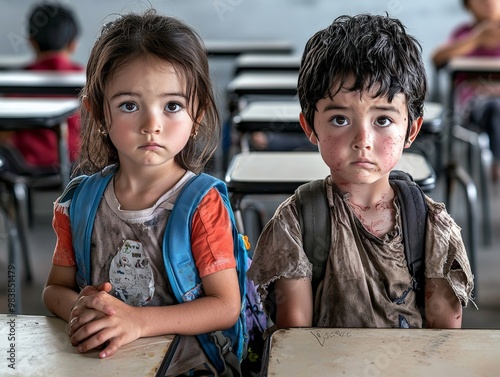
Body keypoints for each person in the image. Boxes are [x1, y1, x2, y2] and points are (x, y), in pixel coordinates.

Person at [41, 10, 241, 376]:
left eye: (172, 106)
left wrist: (137, 322)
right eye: (129, 106)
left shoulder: (200, 204)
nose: (152, 125)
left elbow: (225, 306)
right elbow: (54, 289)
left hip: (186, 366)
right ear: (99, 115)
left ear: (197, 115)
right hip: (102, 363)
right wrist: (79, 307)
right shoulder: (79, 203)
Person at [247, 14, 475, 330]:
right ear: (310, 127)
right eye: (340, 119)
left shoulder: (430, 227)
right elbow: (294, 347)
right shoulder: (297, 224)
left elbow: (442, 346)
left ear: (412, 130)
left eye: (382, 120)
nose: (362, 141)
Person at [4, 2, 84, 169]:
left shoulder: (16, 80)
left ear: (32, 42)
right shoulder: (86, 77)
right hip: (79, 164)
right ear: (73, 44)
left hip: (24, 165)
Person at [432, 0, 500, 181]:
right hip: (475, 105)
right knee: (495, 108)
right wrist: (478, 38)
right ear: (468, 5)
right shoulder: (464, 34)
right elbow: (437, 58)